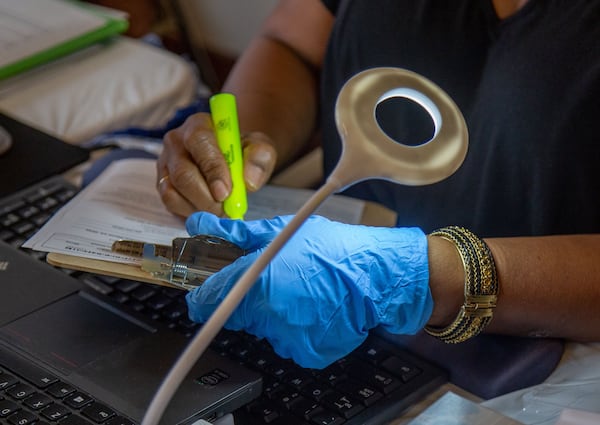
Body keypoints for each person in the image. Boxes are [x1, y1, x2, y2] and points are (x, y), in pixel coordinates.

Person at [156, 0, 600, 369]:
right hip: (309, 301)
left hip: (541, 357)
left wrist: (425, 277)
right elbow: (291, 44)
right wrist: (239, 147)